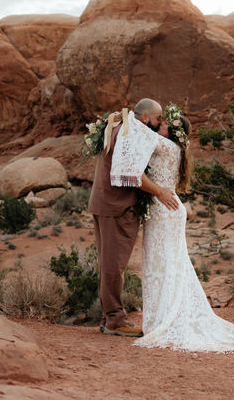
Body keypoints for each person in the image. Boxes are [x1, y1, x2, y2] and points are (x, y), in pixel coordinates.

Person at [135, 107, 234, 353]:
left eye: (164, 122)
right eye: (160, 121)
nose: (159, 123)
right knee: (168, 263)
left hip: (164, 209)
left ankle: (163, 319)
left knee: (163, 264)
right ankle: (161, 317)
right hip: (168, 209)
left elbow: (139, 129)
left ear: (171, 131)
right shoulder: (173, 147)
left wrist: (127, 117)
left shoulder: (164, 145)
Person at [88, 98, 179, 337]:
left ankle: (108, 316)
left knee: (108, 263)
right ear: (146, 118)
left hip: (103, 203)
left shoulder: (118, 125)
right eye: (158, 118)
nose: (160, 122)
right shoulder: (132, 132)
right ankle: (115, 320)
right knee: (113, 266)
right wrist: (159, 191)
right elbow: (131, 173)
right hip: (117, 208)